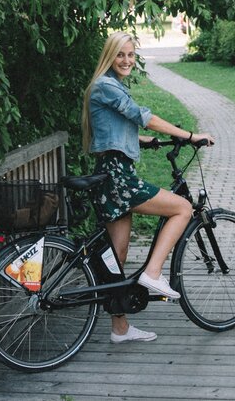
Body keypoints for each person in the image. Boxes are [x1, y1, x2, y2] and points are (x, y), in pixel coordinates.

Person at [81, 31, 215, 344]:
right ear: (110, 57)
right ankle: (153, 273)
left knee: (118, 255)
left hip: (109, 172)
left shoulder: (108, 85)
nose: (126, 60)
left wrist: (140, 142)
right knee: (183, 208)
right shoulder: (105, 85)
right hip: (118, 176)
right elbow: (144, 117)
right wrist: (189, 135)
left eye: (130, 55)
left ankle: (120, 329)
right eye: (120, 55)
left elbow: (110, 130)